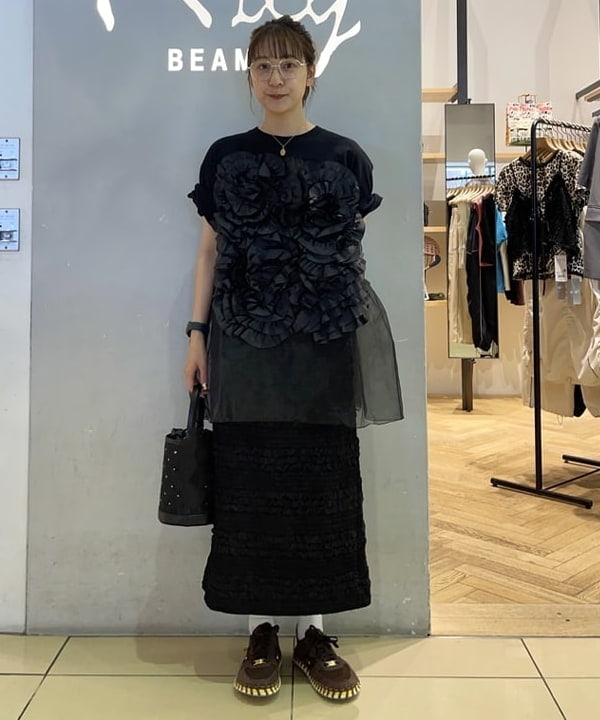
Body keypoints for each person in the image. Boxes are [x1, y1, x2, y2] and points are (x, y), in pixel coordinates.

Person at [184, 15, 403, 702]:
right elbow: (209, 252)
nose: (275, 78)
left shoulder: (345, 156)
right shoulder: (225, 156)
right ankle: (260, 631)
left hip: (322, 343)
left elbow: (345, 260)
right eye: (263, 66)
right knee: (249, 481)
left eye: (288, 65)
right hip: (242, 341)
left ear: (311, 73)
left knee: (320, 482)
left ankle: (314, 635)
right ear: (249, 76)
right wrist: (195, 336)